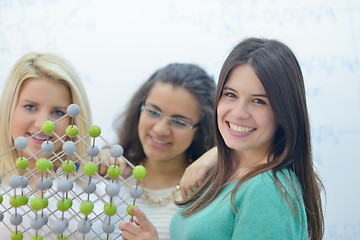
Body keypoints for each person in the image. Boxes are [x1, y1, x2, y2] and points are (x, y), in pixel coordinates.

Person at [119, 37, 325, 240]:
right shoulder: (224, 174)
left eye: (258, 101)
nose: (239, 113)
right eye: (231, 95)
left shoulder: (266, 189)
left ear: (284, 111)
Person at [0, 52, 122, 239]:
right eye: (30, 107)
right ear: (9, 108)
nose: (42, 124)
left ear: (74, 121)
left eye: (58, 112)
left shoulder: (100, 190)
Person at [111, 63, 216, 240]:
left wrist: (220, 152)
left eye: (179, 122)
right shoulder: (111, 175)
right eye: (153, 112)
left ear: (201, 129)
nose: (160, 129)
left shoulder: (208, 196)